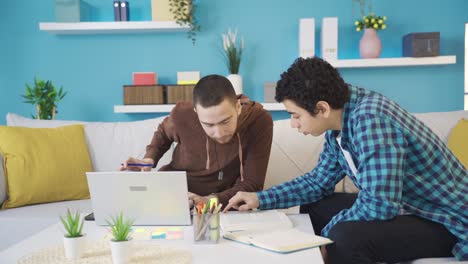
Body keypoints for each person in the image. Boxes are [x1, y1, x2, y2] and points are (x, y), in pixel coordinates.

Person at [223, 57, 467, 263]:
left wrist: (322, 238)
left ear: (322, 108)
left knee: (344, 236)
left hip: (447, 220)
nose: (294, 124)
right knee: (317, 206)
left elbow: (380, 205)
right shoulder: (341, 118)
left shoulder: (371, 120)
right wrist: (259, 198)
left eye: (295, 115)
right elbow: (318, 182)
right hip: (410, 207)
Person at [121, 74, 273, 207]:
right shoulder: (183, 113)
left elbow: (253, 183)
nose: (219, 133)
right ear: (196, 113)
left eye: (225, 121)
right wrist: (149, 158)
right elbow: (163, 133)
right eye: (209, 125)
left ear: (238, 107)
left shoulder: (258, 120)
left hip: (221, 202)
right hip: (174, 193)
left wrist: (210, 201)